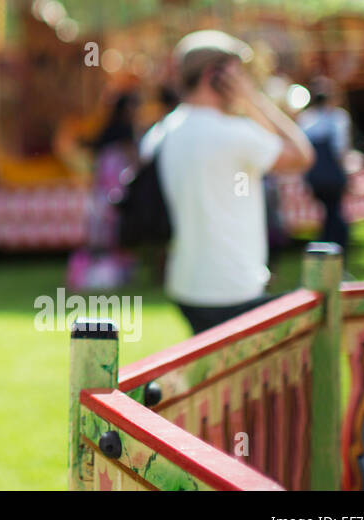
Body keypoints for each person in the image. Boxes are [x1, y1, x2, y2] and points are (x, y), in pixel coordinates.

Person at [143, 31, 315, 336]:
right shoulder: (232, 133)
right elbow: (302, 155)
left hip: (186, 285)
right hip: (232, 287)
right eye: (240, 72)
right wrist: (252, 101)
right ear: (216, 75)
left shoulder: (164, 130)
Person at [66, 92, 138, 290]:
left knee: (103, 231)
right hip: (114, 190)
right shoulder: (123, 131)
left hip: (106, 190)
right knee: (110, 231)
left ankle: (103, 271)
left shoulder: (109, 130)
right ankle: (104, 272)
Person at [297, 76, 353, 254]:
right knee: (334, 213)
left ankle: (325, 244)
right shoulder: (338, 118)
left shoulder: (305, 119)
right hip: (332, 176)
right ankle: (335, 247)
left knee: (327, 213)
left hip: (314, 176)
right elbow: (340, 150)